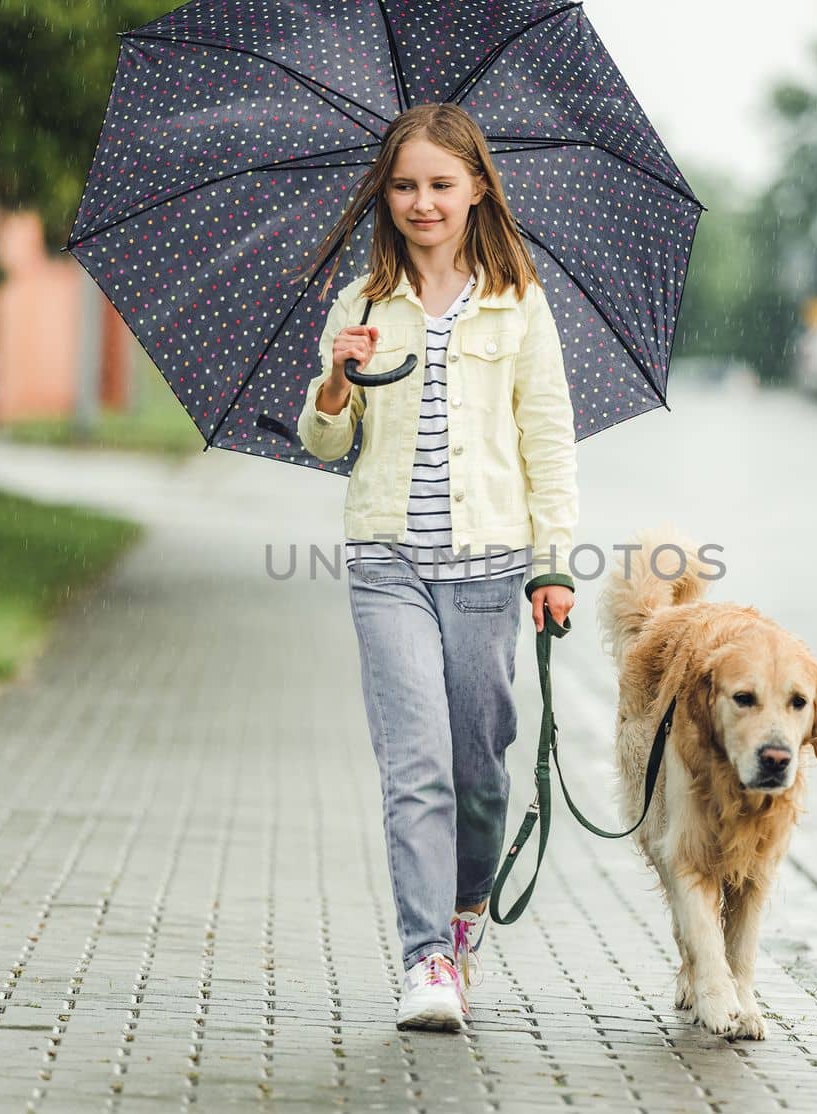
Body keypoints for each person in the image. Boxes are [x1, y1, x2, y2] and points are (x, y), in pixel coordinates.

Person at [295, 103, 578, 1031]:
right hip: (389, 566)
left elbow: (548, 443)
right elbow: (326, 438)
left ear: (476, 190)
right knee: (415, 764)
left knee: (478, 768)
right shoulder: (362, 303)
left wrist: (552, 567)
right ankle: (427, 961)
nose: (422, 201)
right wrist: (337, 378)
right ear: (388, 192)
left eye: (441, 185)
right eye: (406, 184)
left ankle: (464, 914)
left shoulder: (517, 300)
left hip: (492, 568)